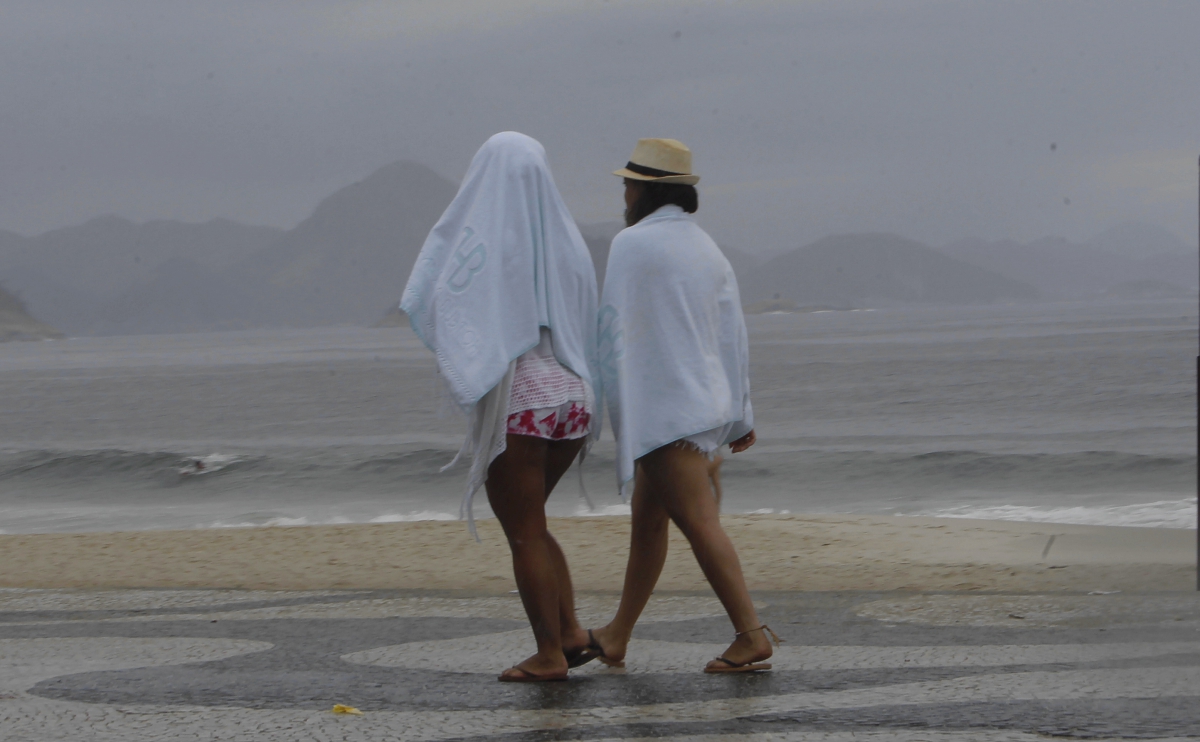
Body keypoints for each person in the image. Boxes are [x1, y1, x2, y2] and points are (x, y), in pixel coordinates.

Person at [401, 132, 601, 682]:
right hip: (573, 393)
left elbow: (449, 291)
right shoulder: (567, 241)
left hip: (522, 394)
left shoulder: (487, 233)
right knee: (533, 523)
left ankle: (548, 655)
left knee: (524, 531)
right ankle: (570, 632)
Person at [589, 138, 778, 673]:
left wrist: (604, 402)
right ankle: (617, 634)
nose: (622, 193)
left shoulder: (632, 245)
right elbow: (732, 336)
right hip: (703, 404)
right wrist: (741, 412)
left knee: (698, 521)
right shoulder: (707, 248)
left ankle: (751, 635)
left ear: (646, 190)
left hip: (666, 409)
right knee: (648, 519)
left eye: (628, 183)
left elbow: (612, 329)